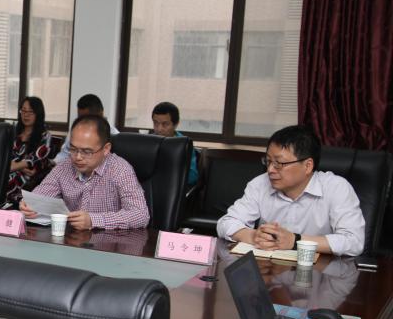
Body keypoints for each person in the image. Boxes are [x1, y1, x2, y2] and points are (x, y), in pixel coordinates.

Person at [216, 126, 365, 256]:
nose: (270, 170)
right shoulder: (260, 184)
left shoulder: (337, 188)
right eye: (268, 161)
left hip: (319, 273)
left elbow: (354, 242)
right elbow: (225, 223)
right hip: (269, 271)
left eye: (279, 163)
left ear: (307, 166)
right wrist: (253, 236)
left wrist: (295, 241)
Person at [21, 115, 149, 230]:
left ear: (106, 149)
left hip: (108, 243)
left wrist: (93, 220)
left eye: (87, 152)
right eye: (73, 149)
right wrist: (28, 205)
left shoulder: (120, 170)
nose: (78, 157)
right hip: (70, 241)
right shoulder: (65, 166)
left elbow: (140, 215)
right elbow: (39, 197)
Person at [5, 96, 54, 205]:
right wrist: (20, 166)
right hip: (9, 171)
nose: (26, 115)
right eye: (23, 111)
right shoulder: (13, 131)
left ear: (38, 114)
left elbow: (34, 160)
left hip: (28, 180)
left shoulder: (45, 136)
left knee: (0, 181)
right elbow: (4, 154)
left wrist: (14, 166)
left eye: (30, 112)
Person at [52, 93, 120, 165]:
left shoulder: (115, 136)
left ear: (100, 114)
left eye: (87, 118)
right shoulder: (76, 130)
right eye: (80, 118)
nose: (82, 122)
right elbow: (65, 154)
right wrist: (53, 163)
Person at [151, 101, 198, 186]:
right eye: (156, 123)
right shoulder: (148, 141)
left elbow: (192, 176)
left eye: (165, 124)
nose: (159, 129)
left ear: (176, 124)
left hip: (172, 187)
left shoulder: (184, 145)